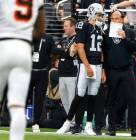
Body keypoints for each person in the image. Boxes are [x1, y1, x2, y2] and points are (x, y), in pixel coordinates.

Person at [55, 3, 106, 136]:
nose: (101, 17)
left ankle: (89, 125)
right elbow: (80, 47)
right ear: (92, 13)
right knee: (80, 95)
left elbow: (102, 51)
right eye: (99, 14)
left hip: (98, 65)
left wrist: (103, 69)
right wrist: (88, 66)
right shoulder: (83, 26)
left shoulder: (101, 29)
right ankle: (67, 123)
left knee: (93, 96)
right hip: (86, 65)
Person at [0, 0, 45, 140]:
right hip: (24, 48)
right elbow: (40, 29)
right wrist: (24, 37)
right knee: (18, 106)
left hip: (3, 44)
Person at [102, 10, 136, 137]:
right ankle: (111, 128)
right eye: (112, 18)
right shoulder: (105, 32)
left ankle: (135, 129)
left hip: (126, 69)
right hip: (111, 70)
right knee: (111, 100)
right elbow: (103, 52)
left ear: (122, 19)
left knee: (132, 99)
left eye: (117, 18)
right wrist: (103, 70)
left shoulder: (129, 31)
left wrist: (125, 39)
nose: (115, 21)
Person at [27, 33, 56, 133]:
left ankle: (36, 123)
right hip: (29, 72)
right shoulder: (28, 36)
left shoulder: (48, 38)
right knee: (25, 97)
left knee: (39, 99)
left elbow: (53, 52)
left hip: (42, 73)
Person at [55, 17, 78, 134]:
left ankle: (74, 124)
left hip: (72, 74)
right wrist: (63, 52)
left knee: (72, 100)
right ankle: (71, 123)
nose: (64, 28)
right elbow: (56, 52)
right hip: (62, 74)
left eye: (66, 26)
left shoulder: (77, 38)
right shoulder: (63, 40)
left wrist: (62, 52)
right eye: (64, 26)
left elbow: (71, 54)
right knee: (65, 101)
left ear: (73, 26)